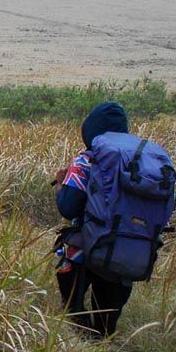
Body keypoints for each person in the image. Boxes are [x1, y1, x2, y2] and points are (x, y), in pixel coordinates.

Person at [54, 102, 133, 337]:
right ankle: (102, 340)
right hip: (130, 251)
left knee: (73, 304)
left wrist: (61, 185)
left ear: (89, 130)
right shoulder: (141, 161)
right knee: (107, 316)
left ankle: (80, 339)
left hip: (88, 248)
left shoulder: (87, 160)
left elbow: (68, 208)